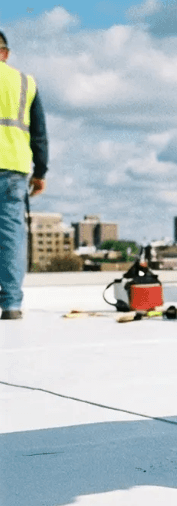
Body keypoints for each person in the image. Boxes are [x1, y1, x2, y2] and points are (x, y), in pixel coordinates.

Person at [0, 30, 47, 321]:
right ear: (5, 53)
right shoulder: (24, 83)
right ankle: (11, 304)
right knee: (11, 237)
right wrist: (40, 172)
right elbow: (39, 134)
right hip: (13, 169)